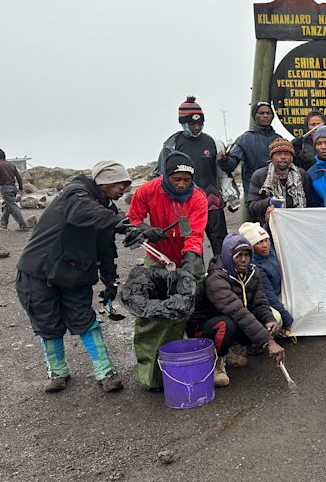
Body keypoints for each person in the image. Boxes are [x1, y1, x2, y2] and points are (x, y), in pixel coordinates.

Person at [15, 161, 143, 393]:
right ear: (103, 181)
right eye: (118, 183)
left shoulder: (107, 212)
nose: (122, 189)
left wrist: (110, 281)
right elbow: (80, 211)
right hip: (38, 271)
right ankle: (58, 372)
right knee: (47, 324)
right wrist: (120, 223)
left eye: (125, 184)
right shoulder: (74, 194)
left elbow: (106, 250)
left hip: (74, 273)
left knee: (85, 320)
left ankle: (105, 371)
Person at [127, 151, 208, 390]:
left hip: (187, 256)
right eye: (177, 179)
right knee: (154, 314)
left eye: (187, 179)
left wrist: (191, 259)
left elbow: (194, 233)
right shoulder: (147, 191)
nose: (182, 184)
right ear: (166, 175)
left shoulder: (198, 198)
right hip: (157, 258)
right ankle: (151, 376)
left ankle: (193, 362)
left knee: (191, 308)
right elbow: (131, 219)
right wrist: (145, 229)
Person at [188, 233, 285, 387]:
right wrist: (269, 341)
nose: (244, 259)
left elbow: (259, 302)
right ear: (228, 256)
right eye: (239, 255)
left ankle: (232, 350)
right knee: (226, 325)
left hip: (234, 317)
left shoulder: (253, 272)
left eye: (247, 255)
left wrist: (269, 320)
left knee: (273, 318)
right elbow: (237, 311)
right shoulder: (216, 279)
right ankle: (216, 362)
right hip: (205, 325)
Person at [152, 96, 226, 255]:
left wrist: (229, 195)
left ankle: (222, 272)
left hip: (212, 200)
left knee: (220, 240)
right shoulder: (172, 145)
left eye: (199, 123)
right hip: (183, 204)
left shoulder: (212, 142)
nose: (196, 127)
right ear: (183, 123)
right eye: (192, 124)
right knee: (186, 238)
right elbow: (159, 175)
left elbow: (222, 172)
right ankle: (190, 272)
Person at [218, 101, 281, 200]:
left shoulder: (279, 139)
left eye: (268, 113)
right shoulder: (245, 139)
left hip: (277, 194)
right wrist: (224, 160)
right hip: (255, 195)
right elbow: (231, 165)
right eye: (261, 113)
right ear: (254, 116)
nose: (265, 116)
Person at [239, 222, 292, 333]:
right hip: (265, 301)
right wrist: (287, 320)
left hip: (278, 293)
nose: (265, 245)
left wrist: (270, 220)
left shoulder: (268, 251)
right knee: (277, 318)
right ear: (251, 247)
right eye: (259, 242)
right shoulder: (256, 266)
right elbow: (269, 296)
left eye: (266, 240)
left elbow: (268, 232)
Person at [247, 138, 311, 226]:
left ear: (292, 157)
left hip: (297, 226)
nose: (283, 157)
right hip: (269, 227)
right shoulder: (259, 176)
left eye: (287, 154)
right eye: (279, 154)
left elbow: (311, 204)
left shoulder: (302, 175)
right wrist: (269, 202)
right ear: (271, 157)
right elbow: (252, 207)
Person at [0, 149, 30, 231]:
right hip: (13, 187)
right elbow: (18, 177)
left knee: (12, 206)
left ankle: (23, 225)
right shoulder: (11, 165)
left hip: (5, 188)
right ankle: (3, 223)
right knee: (8, 204)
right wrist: (20, 188)